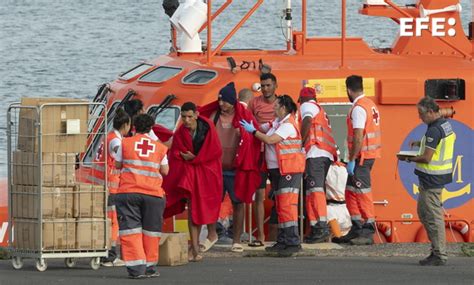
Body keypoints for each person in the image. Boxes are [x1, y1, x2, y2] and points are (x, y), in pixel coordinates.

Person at [199, 82, 261, 253]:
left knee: (238, 203)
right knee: (211, 202)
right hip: (215, 168)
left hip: (235, 168)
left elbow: (255, 137)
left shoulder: (244, 116)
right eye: (219, 100)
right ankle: (212, 234)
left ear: (232, 101)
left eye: (224, 101)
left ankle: (236, 240)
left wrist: (246, 136)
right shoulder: (214, 116)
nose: (221, 104)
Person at [241, 95, 305, 254]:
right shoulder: (278, 122)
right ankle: (283, 241)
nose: (273, 108)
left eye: (276, 106)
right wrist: (250, 123)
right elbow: (264, 128)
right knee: (281, 206)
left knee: (287, 206)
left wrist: (253, 131)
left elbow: (270, 140)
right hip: (278, 170)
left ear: (283, 108)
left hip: (288, 170)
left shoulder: (288, 125)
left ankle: (292, 242)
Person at [397, 97, 455, 266]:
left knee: (432, 216)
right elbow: (437, 145)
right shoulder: (444, 124)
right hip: (437, 178)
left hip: (431, 178)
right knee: (425, 213)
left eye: (421, 114)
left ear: (430, 112)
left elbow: (427, 158)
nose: (420, 117)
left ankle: (439, 254)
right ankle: (437, 251)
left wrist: (407, 158)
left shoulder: (433, 130)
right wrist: (420, 143)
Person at [163, 102, 223, 262]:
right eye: (183, 117)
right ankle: (195, 248)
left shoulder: (208, 127)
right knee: (193, 210)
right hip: (190, 173)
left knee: (204, 207)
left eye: (189, 116)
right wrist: (185, 157)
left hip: (207, 172)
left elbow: (215, 150)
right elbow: (175, 152)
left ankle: (205, 239)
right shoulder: (181, 132)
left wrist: (195, 158)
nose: (186, 120)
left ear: (196, 114)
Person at [115, 114, 169, 279]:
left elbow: (117, 164)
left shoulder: (125, 143)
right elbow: (165, 171)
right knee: (151, 232)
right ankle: (150, 267)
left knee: (131, 230)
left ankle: (136, 269)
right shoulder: (160, 148)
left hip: (129, 193)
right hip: (153, 195)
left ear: (134, 127)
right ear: (151, 128)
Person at [334, 75, 382, 245]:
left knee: (363, 193)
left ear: (348, 90)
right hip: (367, 156)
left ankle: (368, 229)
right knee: (350, 191)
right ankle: (357, 226)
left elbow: (358, 136)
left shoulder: (359, 108)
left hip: (361, 158)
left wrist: (352, 158)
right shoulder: (370, 104)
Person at [298, 87, 338, 243]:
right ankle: (316, 227)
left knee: (315, 191)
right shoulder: (319, 109)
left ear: (302, 99)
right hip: (323, 154)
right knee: (312, 191)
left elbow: (307, 121)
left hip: (316, 153)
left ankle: (320, 227)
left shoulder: (307, 106)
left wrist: (299, 144)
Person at [247, 73, 279, 245]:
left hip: (277, 156)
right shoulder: (254, 103)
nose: (265, 89)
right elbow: (246, 123)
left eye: (268, 85)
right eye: (263, 85)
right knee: (259, 195)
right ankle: (260, 236)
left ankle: (283, 235)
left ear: (275, 85)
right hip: (259, 154)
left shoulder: (282, 103)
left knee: (281, 196)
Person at [100, 108, 131, 267]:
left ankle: (105, 254)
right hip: (111, 188)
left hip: (104, 185)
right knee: (112, 223)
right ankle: (109, 256)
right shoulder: (115, 140)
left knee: (107, 221)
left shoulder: (108, 137)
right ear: (125, 125)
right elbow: (120, 152)